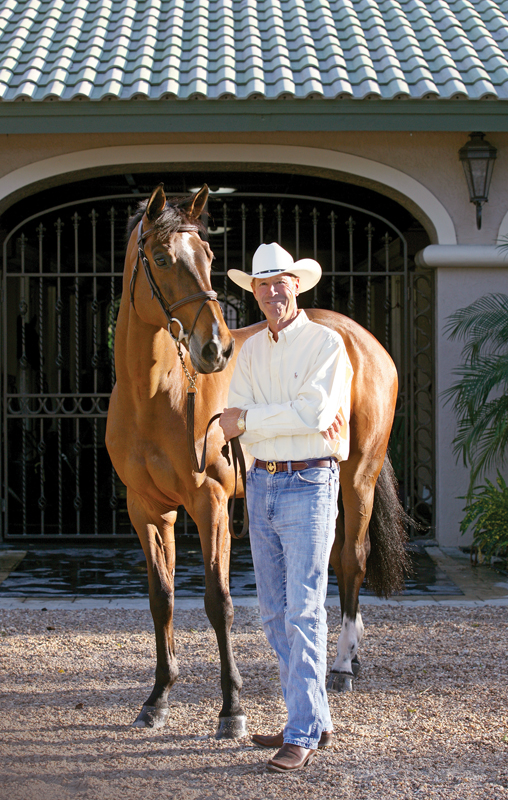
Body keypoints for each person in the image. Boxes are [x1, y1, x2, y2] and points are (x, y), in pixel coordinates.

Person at [219, 242, 353, 774]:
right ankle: (313, 717)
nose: (273, 292)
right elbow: (235, 414)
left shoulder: (327, 344)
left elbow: (315, 411)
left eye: (281, 282)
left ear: (297, 285)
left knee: (302, 610)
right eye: (263, 284)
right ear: (253, 292)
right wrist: (279, 419)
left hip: (310, 483)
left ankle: (299, 733)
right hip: (263, 484)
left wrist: (252, 421)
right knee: (275, 615)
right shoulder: (249, 351)